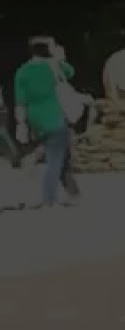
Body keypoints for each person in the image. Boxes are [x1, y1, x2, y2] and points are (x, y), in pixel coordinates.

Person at [13, 36, 81, 208]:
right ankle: (49, 199)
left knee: (60, 156)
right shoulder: (53, 66)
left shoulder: (22, 72)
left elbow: (20, 102)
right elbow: (70, 72)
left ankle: (74, 192)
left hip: (35, 120)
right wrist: (59, 57)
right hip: (55, 117)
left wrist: (21, 125)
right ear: (48, 50)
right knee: (55, 161)